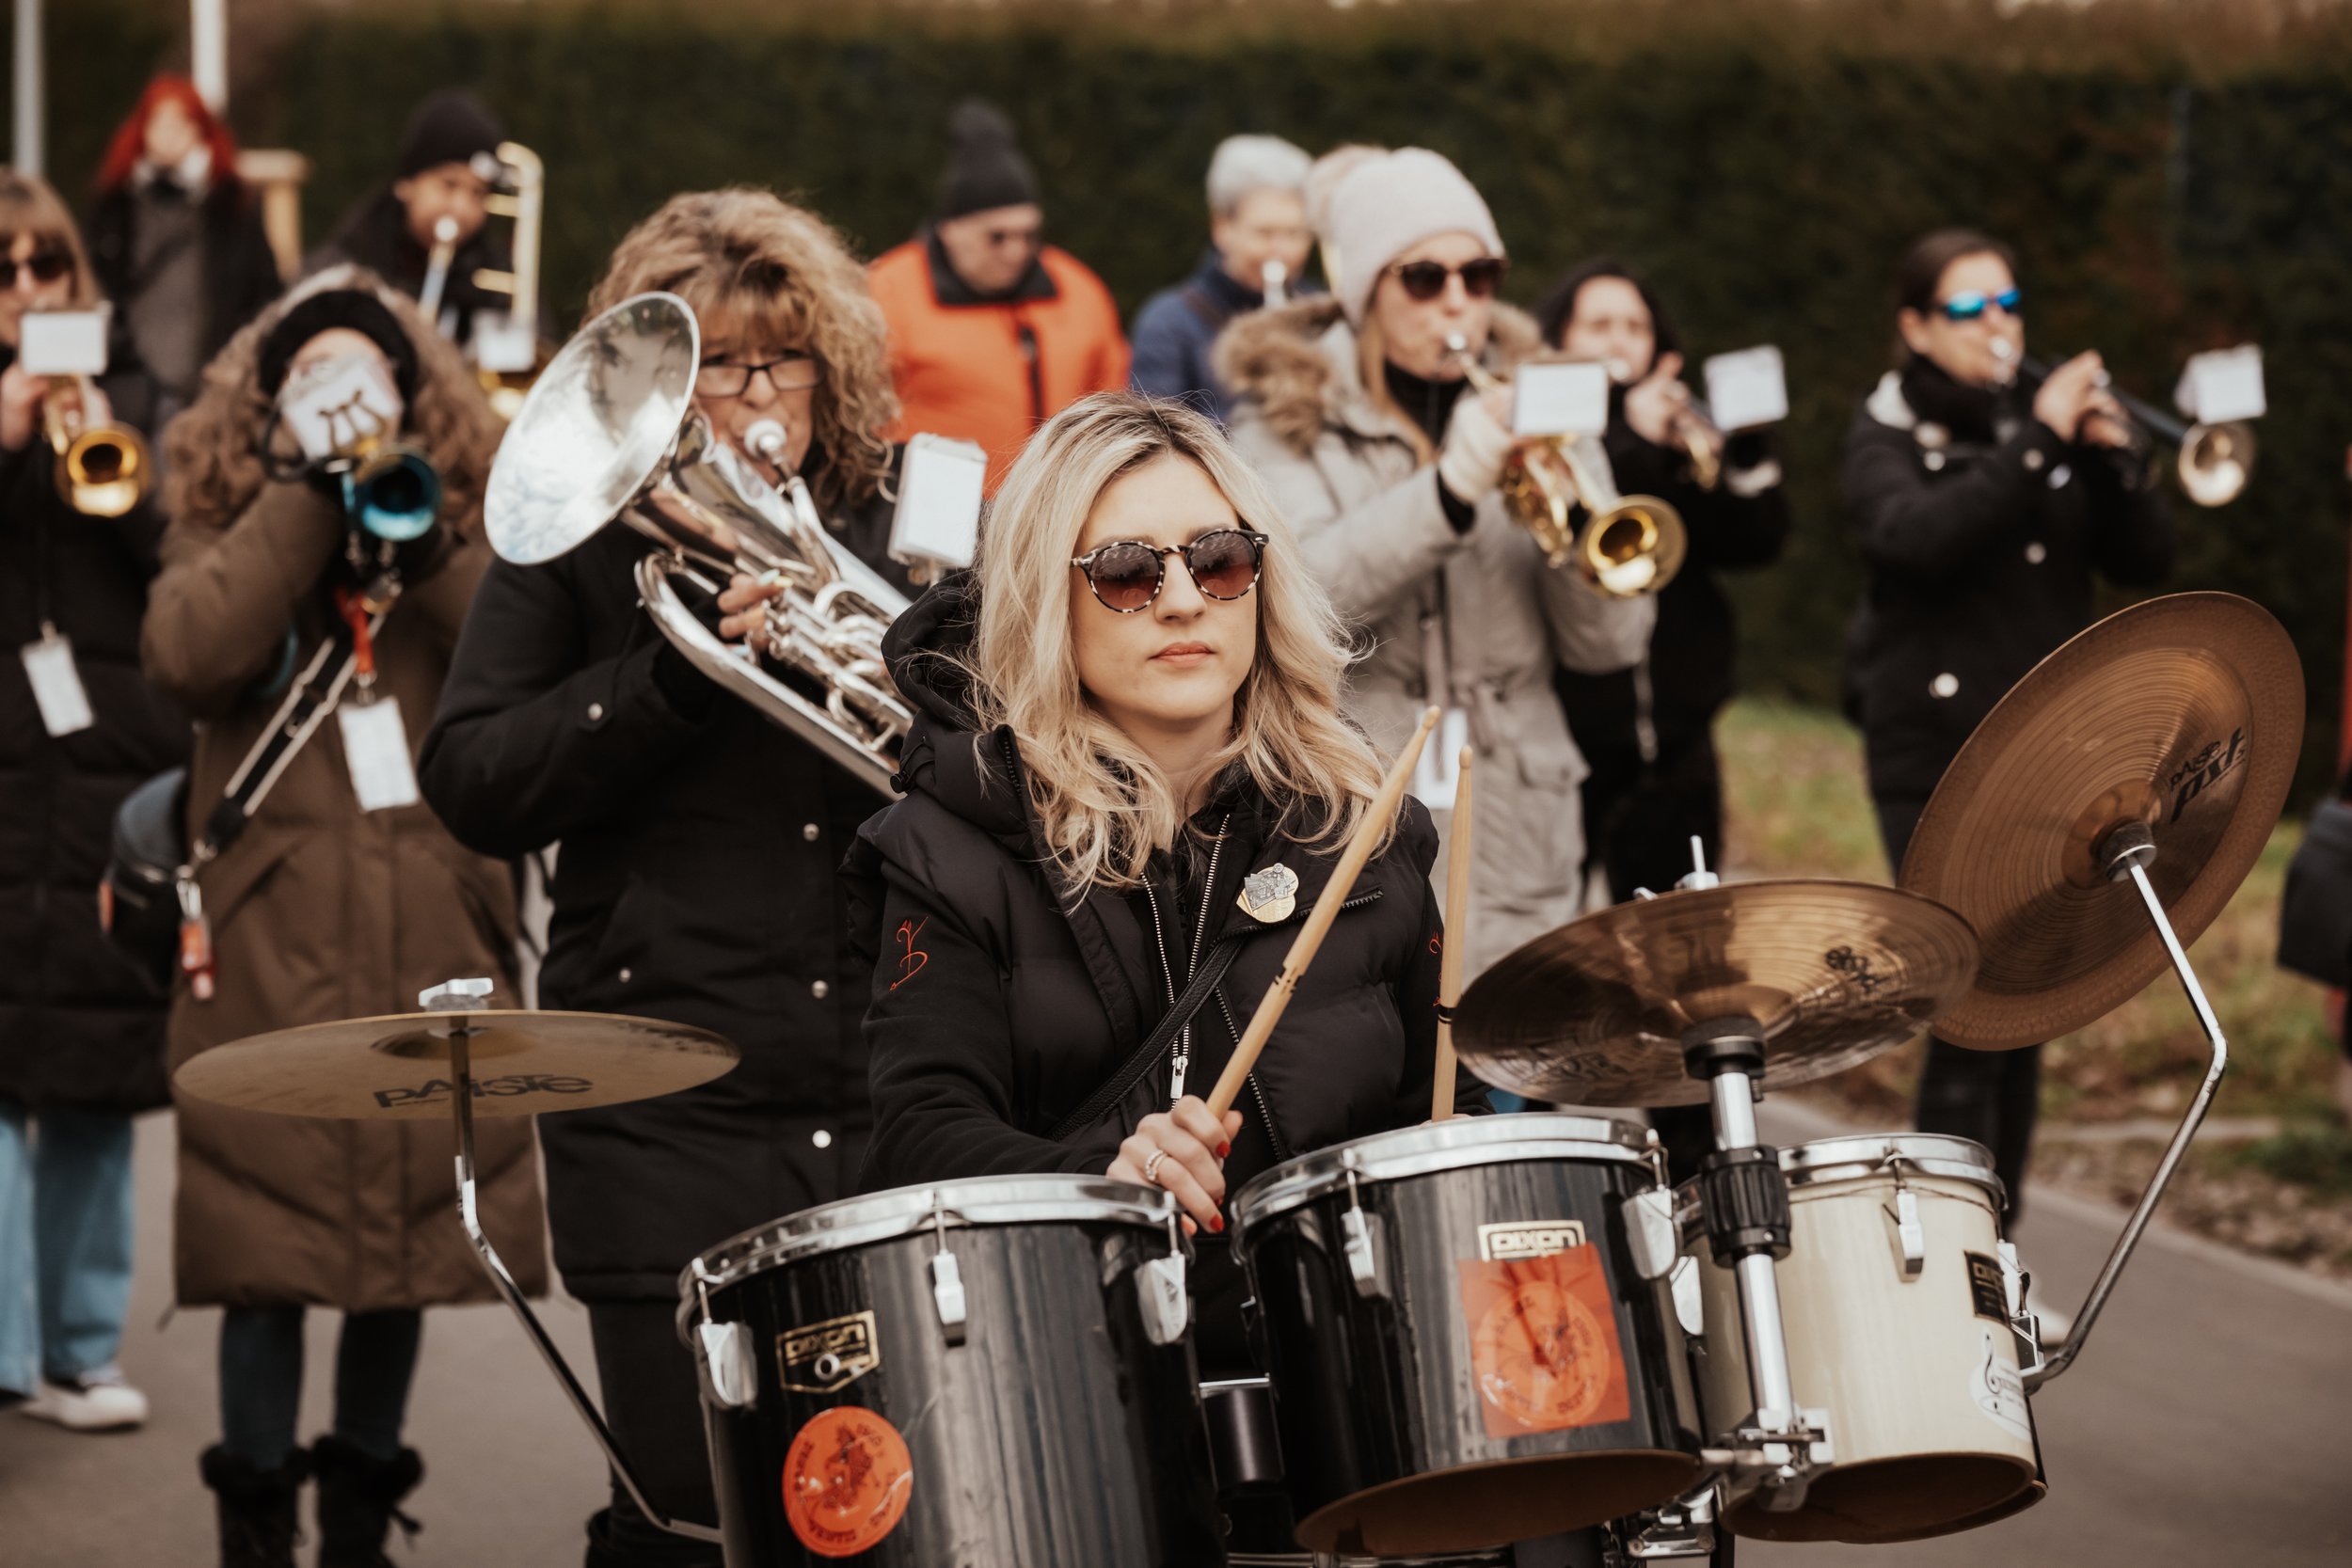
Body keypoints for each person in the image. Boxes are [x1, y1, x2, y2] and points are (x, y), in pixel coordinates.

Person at [419, 188, 916, 1568]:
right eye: (718, 368)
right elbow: (471, 773)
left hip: (888, 1086)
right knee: (691, 1522)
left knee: (894, 1513)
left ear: (830, 367)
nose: (753, 399)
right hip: (665, 1104)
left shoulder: (906, 519)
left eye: (780, 361)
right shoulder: (582, 537)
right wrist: (667, 679)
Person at [851, 390, 1485, 1381]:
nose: (1184, 599)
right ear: (1047, 597)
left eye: (1219, 559)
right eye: (1126, 571)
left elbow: (1435, 1106)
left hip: (1350, 1378)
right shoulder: (948, 842)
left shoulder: (1364, 825)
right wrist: (1100, 1176)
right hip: (1082, 1384)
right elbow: (922, 1135)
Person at [142, 267, 547, 1568]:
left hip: (431, 923)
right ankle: (257, 1523)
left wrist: (419, 536)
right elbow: (188, 655)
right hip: (271, 938)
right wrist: (304, 496)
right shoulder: (225, 511)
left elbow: (517, 651)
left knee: (405, 1242)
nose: (340, 401)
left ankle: (360, 1527)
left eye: (362, 380)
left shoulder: (461, 506)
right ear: (266, 402)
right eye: (311, 378)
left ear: (411, 396)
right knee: (264, 1240)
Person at [1216, 148, 1654, 982]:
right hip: (1361, 801)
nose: (1459, 301)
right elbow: (1298, 602)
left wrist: (1574, 526)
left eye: (1479, 275)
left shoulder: (1543, 411)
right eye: (1425, 278)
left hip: (1519, 818)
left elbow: (1609, 646)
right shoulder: (1285, 421)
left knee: (1518, 1044)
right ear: (1365, 291)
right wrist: (1449, 490)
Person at [1844, 228, 2174, 1213]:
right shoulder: (1887, 431)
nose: (1997, 324)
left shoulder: (2043, 430)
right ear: (1915, 326)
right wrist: (2039, 440)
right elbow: (1915, 541)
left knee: (2029, 999)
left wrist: (2113, 461)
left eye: (2007, 303)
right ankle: (1948, 1234)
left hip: (2048, 752)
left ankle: (2004, 1237)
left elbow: (2147, 560)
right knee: (1968, 995)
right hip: (1935, 755)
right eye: (1967, 308)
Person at [0, 173, 188, 1432]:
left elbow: (184, 573)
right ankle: (8, 1349)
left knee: (94, 1073)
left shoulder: (142, 403)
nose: (26, 289)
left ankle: (78, 1348)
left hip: (110, 774)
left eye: (46, 264)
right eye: (3, 269)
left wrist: (105, 445)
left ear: (78, 275)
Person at [1534, 258, 1790, 1176]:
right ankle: (1547, 1151)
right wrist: (1628, 438)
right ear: (1559, 342)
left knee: (1687, 970)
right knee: (1553, 960)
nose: (1618, 341)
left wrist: (1739, 453)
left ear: (1660, 347)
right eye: (1598, 324)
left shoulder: (1678, 430)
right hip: (1566, 735)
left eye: (1634, 326)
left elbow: (1759, 540)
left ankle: (1695, 1167)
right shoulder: (1549, 435)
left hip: (1677, 737)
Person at [868, 99, 1128, 487]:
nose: (1016, 251)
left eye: (1029, 234)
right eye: (997, 237)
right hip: (931, 505)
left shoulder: (1078, 290)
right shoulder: (887, 292)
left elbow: (1112, 399)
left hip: (1059, 503)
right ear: (950, 229)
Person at [84, 74, 283, 442]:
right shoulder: (114, 206)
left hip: (212, 377)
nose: (169, 135)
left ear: (201, 132)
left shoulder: (233, 206)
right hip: (133, 381)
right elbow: (96, 286)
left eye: (181, 123)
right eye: (159, 123)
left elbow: (264, 291)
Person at [1129, 135, 1316, 422]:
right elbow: (1155, 432)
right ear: (1222, 227)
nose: (1282, 251)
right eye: (1265, 233)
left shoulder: (1318, 312)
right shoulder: (1169, 325)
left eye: (1294, 234)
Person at [310, 89, 512, 350]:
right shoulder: (341, 267)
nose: (461, 208)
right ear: (406, 183)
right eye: (449, 185)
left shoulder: (495, 276)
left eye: (478, 193)